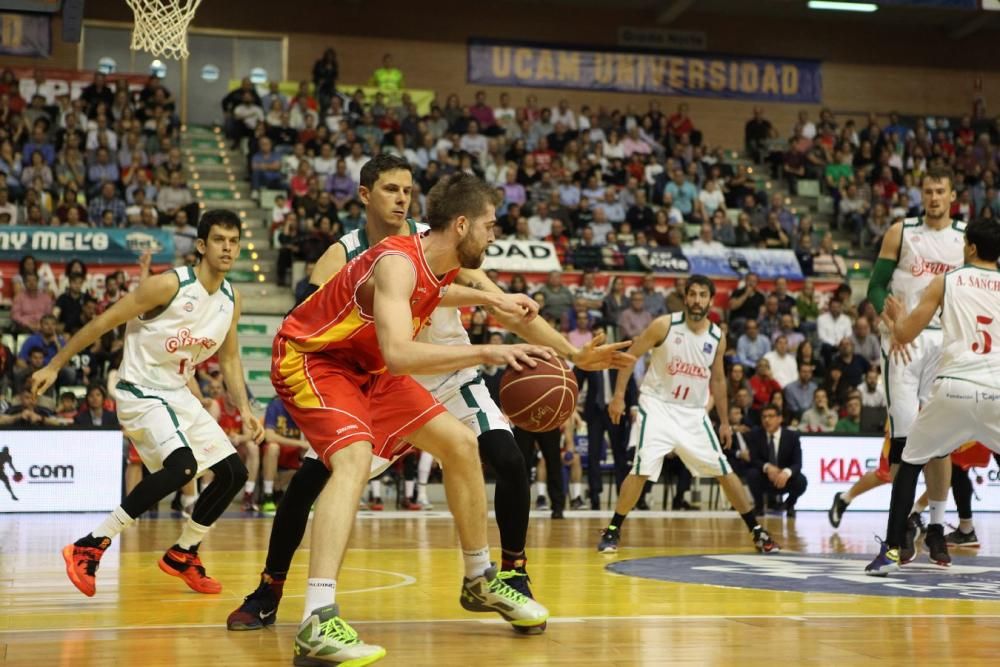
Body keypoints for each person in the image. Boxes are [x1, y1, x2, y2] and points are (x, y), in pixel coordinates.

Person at [227, 159, 631, 644]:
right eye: (489, 227)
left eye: (407, 189)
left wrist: (566, 350)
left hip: (384, 368)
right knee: (348, 462)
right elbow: (397, 349)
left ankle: (481, 577)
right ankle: (314, 616)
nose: (401, 197)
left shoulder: (434, 251)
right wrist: (488, 348)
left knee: (463, 444)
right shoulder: (382, 256)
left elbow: (454, 296)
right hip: (319, 361)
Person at [31, 210, 264, 598]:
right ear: (203, 246)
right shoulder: (168, 286)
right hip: (140, 389)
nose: (228, 247)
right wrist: (56, 365)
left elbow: (229, 359)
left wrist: (245, 408)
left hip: (177, 394)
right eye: (220, 239)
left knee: (233, 473)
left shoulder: (230, 299)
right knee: (183, 467)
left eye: (235, 240)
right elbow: (103, 322)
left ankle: (184, 552)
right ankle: (91, 544)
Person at [597, 275, 779, 555]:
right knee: (642, 468)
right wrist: (619, 395)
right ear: (685, 298)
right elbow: (630, 356)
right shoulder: (664, 325)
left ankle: (757, 531)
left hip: (692, 412)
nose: (696, 300)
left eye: (702, 295)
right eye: (692, 294)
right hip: (657, 405)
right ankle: (613, 529)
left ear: (710, 299)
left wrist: (726, 422)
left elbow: (718, 381)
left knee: (723, 470)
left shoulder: (717, 337)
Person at [866, 217, 1000, 575]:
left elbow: (906, 334)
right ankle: (940, 531)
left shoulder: (947, 280)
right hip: (997, 390)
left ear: (970, 247)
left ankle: (892, 551)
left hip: (955, 386)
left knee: (910, 459)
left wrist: (896, 317)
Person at [864, 166, 966, 565]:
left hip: (946, 343)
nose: (934, 197)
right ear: (921, 194)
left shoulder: (965, 240)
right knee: (906, 442)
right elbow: (875, 287)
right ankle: (902, 530)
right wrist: (891, 323)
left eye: (941, 191)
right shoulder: (901, 232)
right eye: (928, 191)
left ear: (952, 195)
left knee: (940, 441)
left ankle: (937, 526)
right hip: (905, 344)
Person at [745, 403, 809, 517]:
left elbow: (797, 464)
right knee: (751, 473)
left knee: (801, 480)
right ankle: (759, 506)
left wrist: (786, 473)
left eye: (770, 416)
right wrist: (767, 467)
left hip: (785, 479)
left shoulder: (792, 436)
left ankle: (789, 505)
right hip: (765, 478)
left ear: (780, 418)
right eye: (764, 417)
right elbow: (753, 460)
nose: (767, 420)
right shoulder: (755, 435)